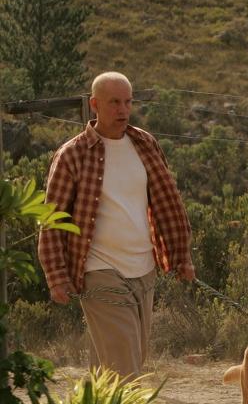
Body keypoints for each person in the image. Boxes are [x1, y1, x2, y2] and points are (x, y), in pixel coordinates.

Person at [38, 71, 195, 379]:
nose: (123, 110)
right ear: (95, 104)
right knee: (126, 367)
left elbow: (169, 204)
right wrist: (56, 276)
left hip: (144, 269)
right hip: (99, 269)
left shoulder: (145, 144)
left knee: (116, 363)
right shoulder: (72, 155)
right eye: (114, 103)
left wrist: (182, 257)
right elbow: (52, 218)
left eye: (127, 102)